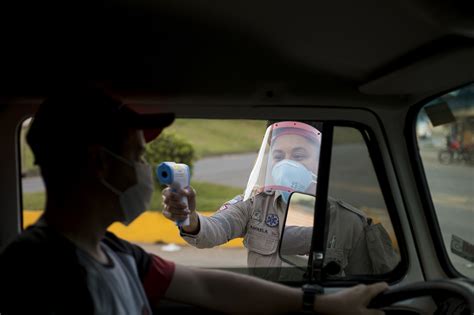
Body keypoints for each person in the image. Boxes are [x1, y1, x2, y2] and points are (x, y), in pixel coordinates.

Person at [0, 88, 388, 314]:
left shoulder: (117, 254)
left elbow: (206, 287)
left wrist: (320, 306)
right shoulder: (35, 267)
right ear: (100, 162)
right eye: (137, 156)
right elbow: (212, 242)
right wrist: (192, 223)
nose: (143, 170)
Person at [163, 121, 399, 279]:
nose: (287, 163)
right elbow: (212, 231)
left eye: (299, 156)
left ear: (320, 162)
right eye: (278, 156)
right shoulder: (255, 203)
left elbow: (366, 289)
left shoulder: (350, 221)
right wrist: (187, 217)